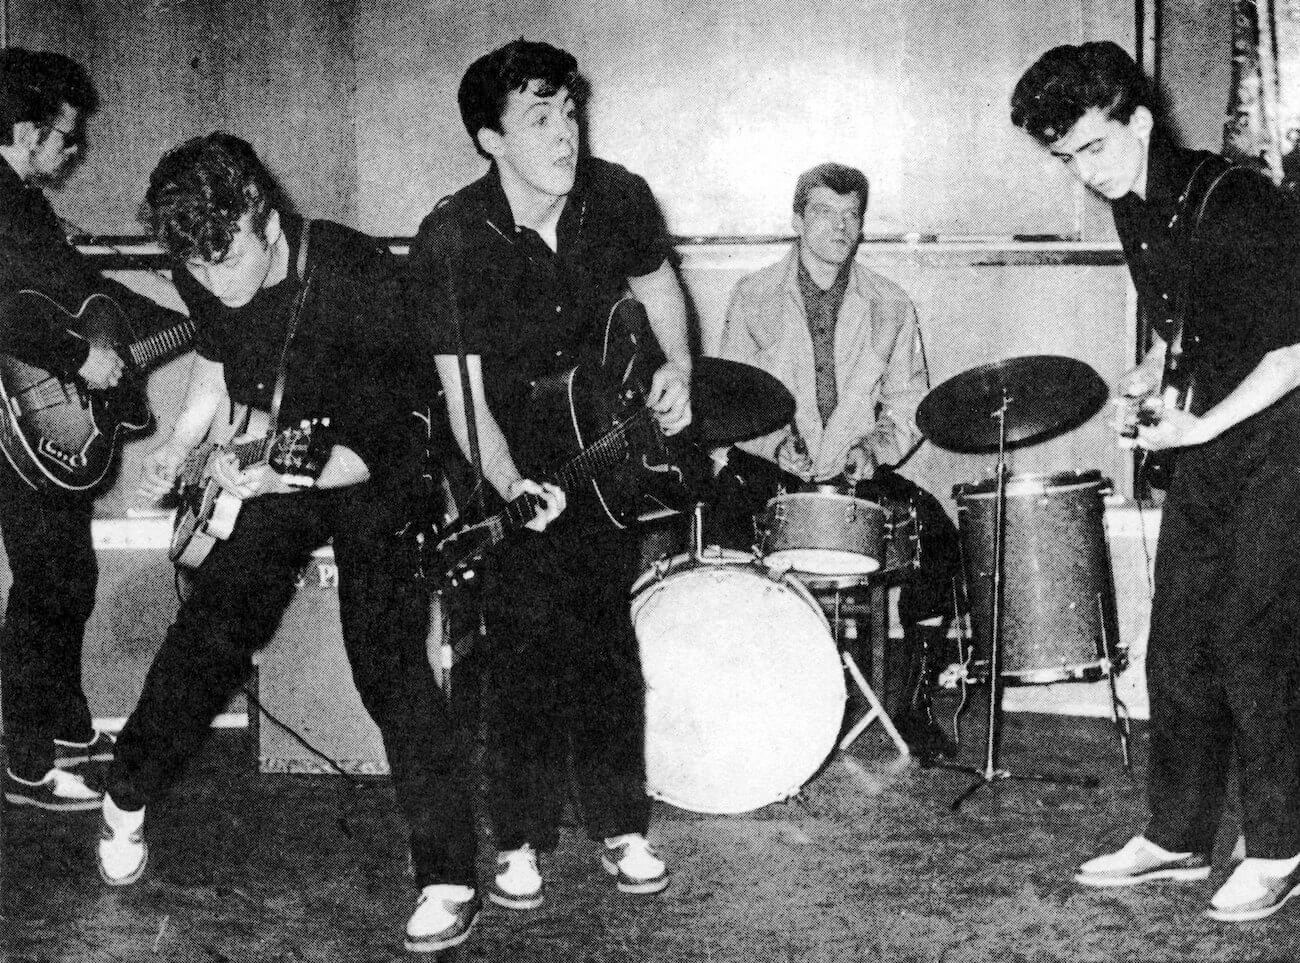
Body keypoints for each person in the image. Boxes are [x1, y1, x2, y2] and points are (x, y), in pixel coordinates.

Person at [94, 134, 480, 953]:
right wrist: (183, 441)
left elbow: (385, 434)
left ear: (267, 221)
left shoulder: (359, 277)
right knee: (213, 626)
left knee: (387, 657)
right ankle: (125, 791)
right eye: (197, 272)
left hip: (372, 460)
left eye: (226, 262)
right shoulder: (201, 259)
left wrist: (280, 476)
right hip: (278, 451)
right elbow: (214, 351)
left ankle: (448, 873)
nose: (215, 287)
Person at [1012, 40, 1300, 924]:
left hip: (1283, 438)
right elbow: (1198, 319)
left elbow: (1290, 349)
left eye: (1093, 148)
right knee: (1176, 642)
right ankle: (1177, 833)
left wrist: (1202, 423)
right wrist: (1150, 371)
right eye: (1064, 158)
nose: (1084, 173)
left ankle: (1284, 845)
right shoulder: (1135, 202)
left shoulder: (1238, 201)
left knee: (1254, 640)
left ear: (1138, 120)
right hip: (1213, 437)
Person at [407, 39, 692, 911]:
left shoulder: (618, 196)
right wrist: (510, 489)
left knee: (607, 637)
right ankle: (522, 839)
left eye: (569, 112)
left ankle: (620, 825)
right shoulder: (451, 237)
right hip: (510, 460)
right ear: (491, 138)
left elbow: (659, 284)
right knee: (522, 652)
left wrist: (678, 365)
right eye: (539, 118)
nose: (565, 133)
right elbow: (464, 398)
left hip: (605, 443)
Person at [714, 162, 961, 757]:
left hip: (857, 473)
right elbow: (731, 395)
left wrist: (872, 450)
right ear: (797, 219)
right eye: (825, 213)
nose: (840, 227)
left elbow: (909, 403)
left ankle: (916, 702)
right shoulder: (753, 296)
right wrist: (777, 446)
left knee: (939, 537)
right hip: (772, 468)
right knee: (716, 530)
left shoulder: (891, 303)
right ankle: (740, 699)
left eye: (852, 215)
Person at [0, 49, 185, 812]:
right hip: (20, 421)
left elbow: (80, 292)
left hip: (39, 426)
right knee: (50, 586)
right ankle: (26, 764)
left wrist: (183, 321)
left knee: (62, 581)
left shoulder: (23, 205)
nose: (72, 151)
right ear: (22, 128)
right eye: (64, 136)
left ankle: (65, 736)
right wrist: (79, 354)